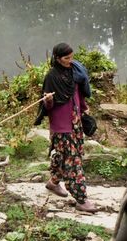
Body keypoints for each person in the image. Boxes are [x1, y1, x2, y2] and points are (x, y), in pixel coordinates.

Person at [41, 43, 98, 214]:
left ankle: (53, 183)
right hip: (61, 125)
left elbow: (78, 93)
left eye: (72, 57)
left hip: (76, 121)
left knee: (67, 155)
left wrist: (84, 108)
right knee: (73, 160)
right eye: (66, 58)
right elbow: (47, 107)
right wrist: (48, 100)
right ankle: (81, 199)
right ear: (57, 59)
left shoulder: (74, 71)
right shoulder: (51, 77)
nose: (70, 61)